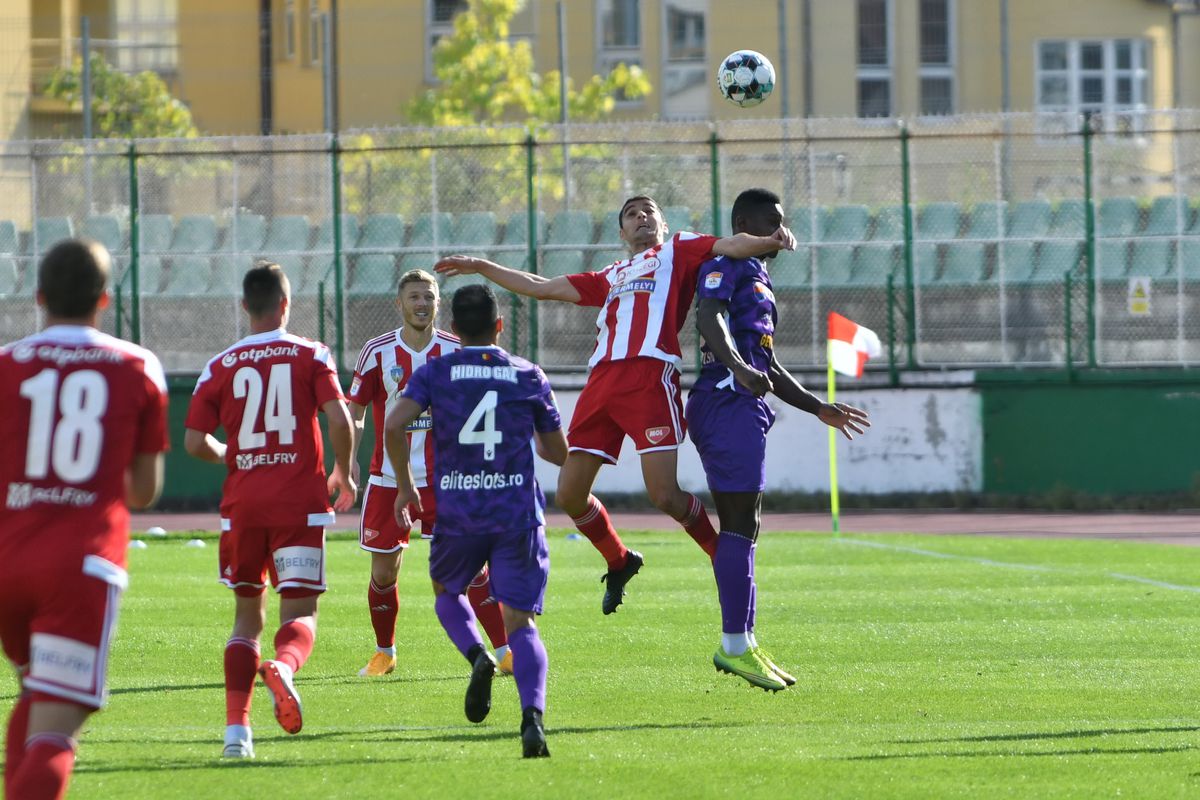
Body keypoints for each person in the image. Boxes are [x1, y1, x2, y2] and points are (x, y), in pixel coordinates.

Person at [435, 196, 796, 614]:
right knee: (570, 495)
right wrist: (482, 266)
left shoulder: (678, 248)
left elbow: (731, 246)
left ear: (662, 224)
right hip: (602, 381)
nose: (642, 217)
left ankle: (723, 557)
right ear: (621, 233)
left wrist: (770, 239)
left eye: (649, 211)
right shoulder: (610, 275)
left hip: (649, 376)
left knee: (664, 495)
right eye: (631, 214)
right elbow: (541, 287)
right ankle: (619, 560)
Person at [0, 239, 168, 799]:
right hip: (80, 566)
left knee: (35, 695)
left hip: (7, 560)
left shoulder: (5, 364)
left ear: (39, 296)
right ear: (104, 300)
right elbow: (143, 492)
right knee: (57, 730)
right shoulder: (138, 366)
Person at [688, 189, 870, 691]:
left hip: (741, 401)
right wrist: (740, 368)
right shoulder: (725, 262)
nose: (782, 230)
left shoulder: (758, 276)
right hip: (725, 400)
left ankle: (743, 640)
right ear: (744, 222)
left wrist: (819, 408)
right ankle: (733, 644)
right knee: (740, 522)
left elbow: (767, 364)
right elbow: (708, 318)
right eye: (772, 222)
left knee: (748, 522)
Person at [383, 284, 567, 758]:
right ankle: (533, 720)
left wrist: (404, 486)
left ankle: (477, 655)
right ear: (499, 325)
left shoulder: (436, 371)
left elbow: (392, 424)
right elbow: (557, 452)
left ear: (456, 330)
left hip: (459, 510)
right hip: (515, 514)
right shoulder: (527, 374)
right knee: (520, 623)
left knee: (448, 592)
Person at [184, 261, 357, 758]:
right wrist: (343, 470)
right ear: (286, 304)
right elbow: (339, 418)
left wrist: (229, 455)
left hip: (243, 506)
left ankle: (236, 734)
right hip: (299, 504)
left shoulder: (220, 364)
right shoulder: (310, 353)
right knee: (300, 611)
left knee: (245, 619)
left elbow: (195, 441)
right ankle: (284, 664)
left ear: (245, 306)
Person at [336, 269, 511, 678]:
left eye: (428, 297)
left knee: (472, 571)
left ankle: (504, 652)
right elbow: (356, 410)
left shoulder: (456, 349)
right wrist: (349, 459)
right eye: (414, 297)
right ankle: (385, 653)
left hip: (446, 480)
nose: (421, 304)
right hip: (388, 479)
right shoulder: (376, 352)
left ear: (438, 304)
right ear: (399, 304)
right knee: (383, 572)